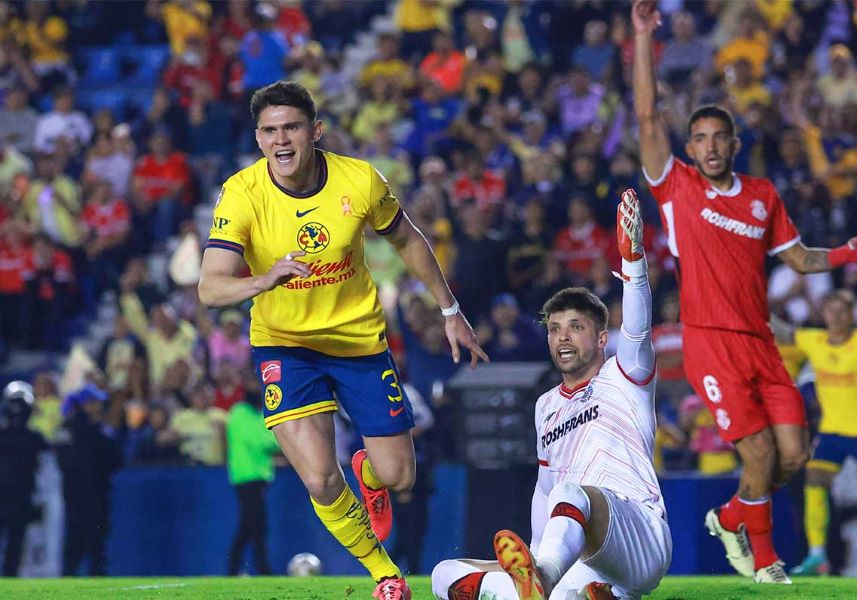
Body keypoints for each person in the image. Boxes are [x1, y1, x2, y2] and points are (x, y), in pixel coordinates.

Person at [198, 81, 487, 600]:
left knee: (400, 478)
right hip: (285, 346)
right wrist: (263, 280)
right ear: (258, 138)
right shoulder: (242, 193)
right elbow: (210, 287)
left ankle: (370, 474)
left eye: (291, 127)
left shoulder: (360, 179)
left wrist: (450, 311)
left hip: (359, 343)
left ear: (315, 131)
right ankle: (385, 574)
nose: (280, 140)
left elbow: (407, 239)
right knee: (319, 479)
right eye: (269, 131)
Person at [631, 0, 857, 583]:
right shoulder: (676, 187)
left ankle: (731, 517)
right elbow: (646, 116)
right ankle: (766, 562)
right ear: (690, 148)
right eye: (700, 139)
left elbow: (799, 257)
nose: (710, 147)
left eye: (719, 138)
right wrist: (643, 37)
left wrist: (848, 252)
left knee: (792, 456)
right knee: (760, 454)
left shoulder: (762, 196)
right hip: (710, 342)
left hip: (762, 343)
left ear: (735, 144)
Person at [431, 189, 671, 600]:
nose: (562, 337)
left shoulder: (625, 376)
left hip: (639, 533)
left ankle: (544, 580)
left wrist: (634, 264)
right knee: (445, 573)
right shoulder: (545, 405)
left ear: (601, 338)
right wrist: (539, 549)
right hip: (576, 552)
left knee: (569, 494)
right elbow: (544, 489)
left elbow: (638, 328)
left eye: (575, 327)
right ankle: (577, 592)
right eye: (555, 329)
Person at [771, 290, 857, 575]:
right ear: (824, 314)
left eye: (842, 311)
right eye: (831, 311)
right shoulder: (814, 341)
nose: (836, 316)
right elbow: (783, 332)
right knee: (814, 480)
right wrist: (752, 305)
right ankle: (817, 555)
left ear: (851, 315)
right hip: (832, 432)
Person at [56, 384, 122, 576]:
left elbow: (117, 459)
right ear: (84, 404)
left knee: (91, 546)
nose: (98, 406)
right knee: (82, 545)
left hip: (89, 494)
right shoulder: (79, 429)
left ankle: (78, 582)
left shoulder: (96, 429)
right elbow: (65, 461)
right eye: (93, 402)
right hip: (83, 494)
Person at [226, 375, 282, 576]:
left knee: (248, 526)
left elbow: (269, 440)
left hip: (258, 477)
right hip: (246, 476)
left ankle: (234, 570)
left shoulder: (257, 414)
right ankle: (262, 569)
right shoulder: (239, 412)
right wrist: (280, 442)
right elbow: (263, 441)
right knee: (256, 526)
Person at [0, 381, 48, 577]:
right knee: (15, 544)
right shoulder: (34, 438)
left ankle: (10, 578)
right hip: (19, 495)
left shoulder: (34, 438)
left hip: (20, 495)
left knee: (16, 544)